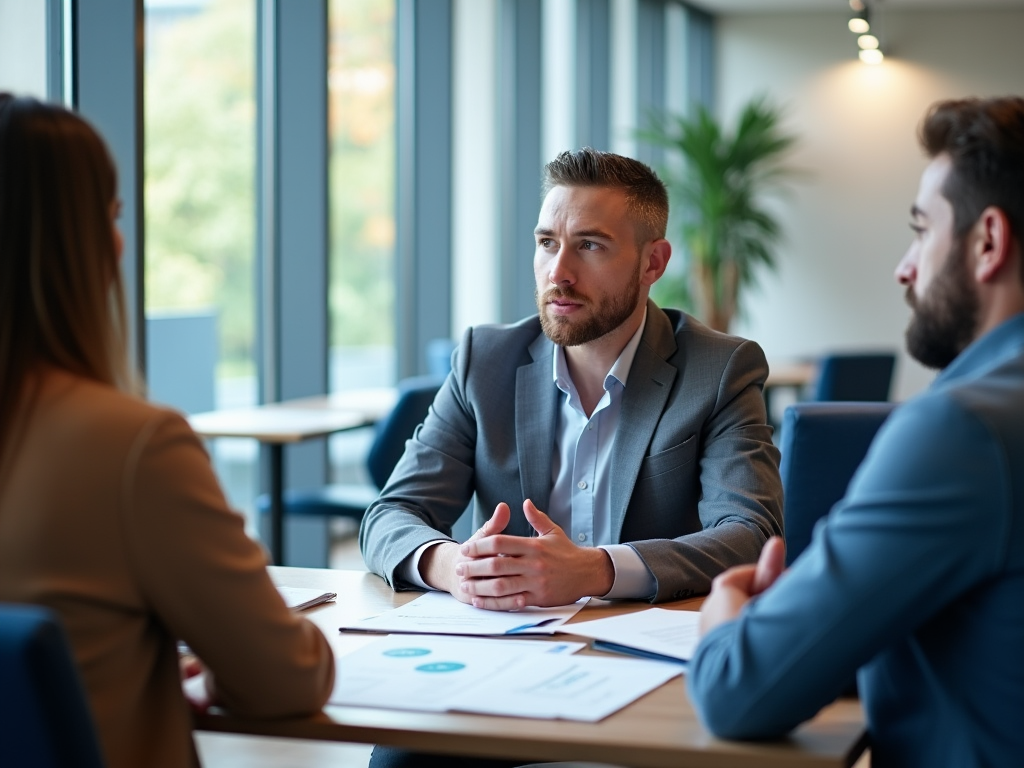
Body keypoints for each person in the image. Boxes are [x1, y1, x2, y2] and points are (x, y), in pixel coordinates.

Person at [688, 96, 1024, 767]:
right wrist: (825, 612)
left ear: (987, 242)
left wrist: (725, 616)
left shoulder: (962, 431)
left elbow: (738, 691)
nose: (905, 266)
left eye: (922, 230)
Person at [0, 94, 334, 768]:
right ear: (84, 241)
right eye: (112, 214)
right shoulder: (132, 447)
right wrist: (216, 672)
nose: (120, 237)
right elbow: (287, 678)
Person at [360, 147, 783, 612]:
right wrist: (457, 568)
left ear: (653, 264)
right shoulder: (485, 361)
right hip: (508, 645)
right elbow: (390, 515)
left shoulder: (719, 370)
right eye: (547, 243)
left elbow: (750, 535)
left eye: (590, 245)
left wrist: (596, 570)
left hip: (649, 643)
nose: (558, 273)